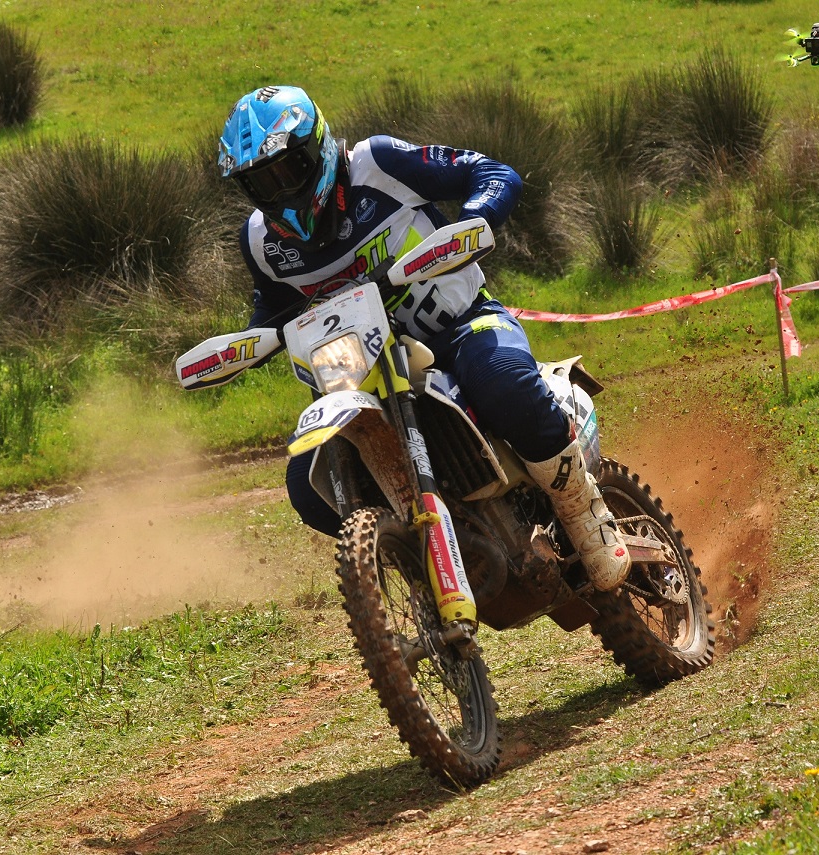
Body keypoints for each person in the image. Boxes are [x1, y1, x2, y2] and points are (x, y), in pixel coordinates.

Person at [217, 84, 630, 591]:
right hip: (357, 373)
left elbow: (492, 173)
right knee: (307, 485)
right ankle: (414, 561)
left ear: (318, 146)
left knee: (500, 380)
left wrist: (474, 219)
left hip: (460, 326)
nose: (280, 192)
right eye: (261, 184)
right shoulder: (259, 242)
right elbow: (273, 309)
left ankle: (584, 513)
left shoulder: (379, 164)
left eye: (289, 171)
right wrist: (251, 343)